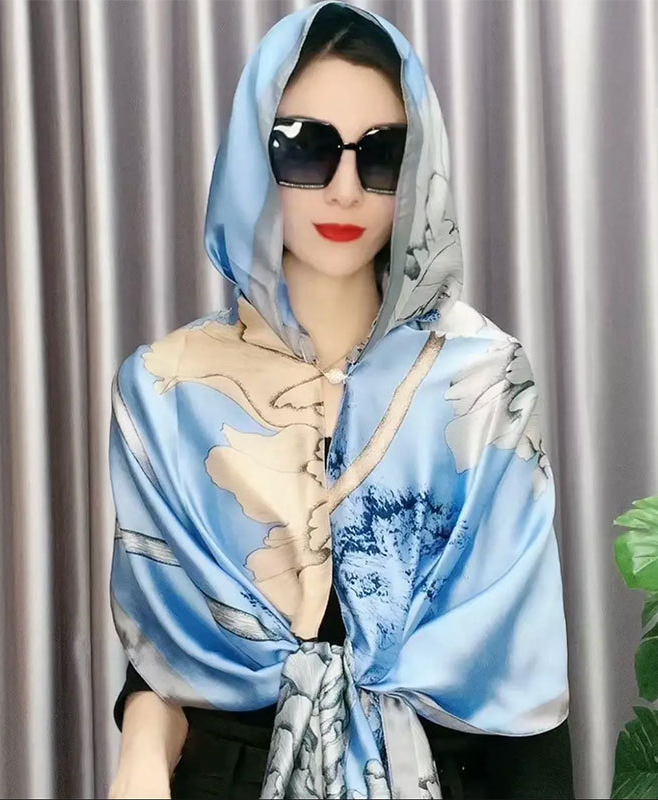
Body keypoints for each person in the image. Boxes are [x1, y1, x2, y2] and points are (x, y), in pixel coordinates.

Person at [107, 2, 574, 799]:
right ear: (252, 157)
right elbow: (167, 651)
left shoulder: (484, 380)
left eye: (383, 154)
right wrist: (141, 757)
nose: (346, 188)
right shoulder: (166, 388)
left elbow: (520, 677)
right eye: (306, 148)